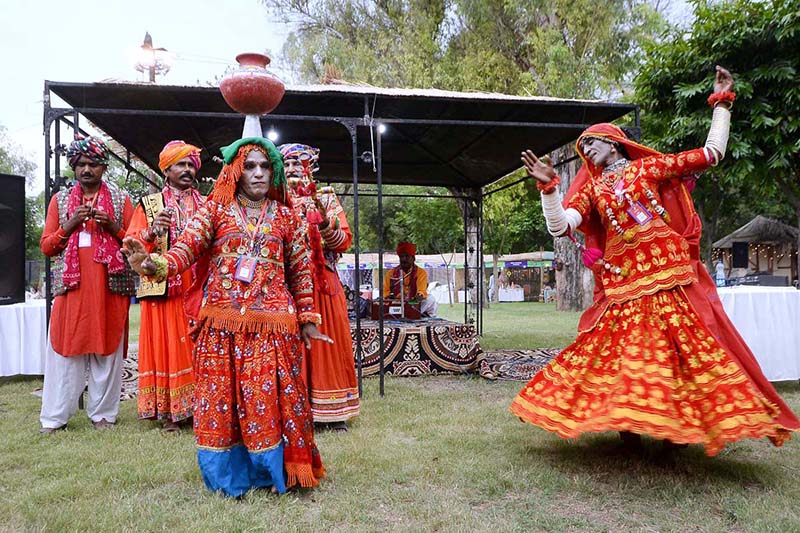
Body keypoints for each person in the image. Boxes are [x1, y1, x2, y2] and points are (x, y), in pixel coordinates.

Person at [510, 66, 797, 456]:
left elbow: (710, 155)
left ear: (615, 144)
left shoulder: (648, 168)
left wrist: (722, 105)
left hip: (666, 275)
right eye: (583, 147)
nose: (587, 151)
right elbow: (562, 227)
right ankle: (628, 428)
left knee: (679, 352)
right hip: (625, 284)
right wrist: (549, 189)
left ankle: (672, 432)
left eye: (592, 143)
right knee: (622, 356)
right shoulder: (592, 190)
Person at [123, 137, 329, 497]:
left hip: (273, 327)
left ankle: (272, 472)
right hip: (220, 325)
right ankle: (227, 477)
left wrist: (308, 318)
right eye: (250, 166)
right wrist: (152, 264)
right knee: (221, 403)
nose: (259, 173)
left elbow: (300, 271)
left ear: (275, 172)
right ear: (235, 170)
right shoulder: (215, 210)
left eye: (265, 166)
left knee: (265, 403)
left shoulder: (286, 216)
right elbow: (183, 252)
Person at [39, 136, 135, 433]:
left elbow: (136, 243)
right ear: (73, 168)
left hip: (110, 290)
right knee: (65, 353)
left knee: (107, 351)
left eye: (93, 163)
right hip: (72, 291)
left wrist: (112, 226)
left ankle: (103, 414)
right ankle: (55, 418)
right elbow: (46, 246)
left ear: (104, 166)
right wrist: (69, 225)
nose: (87, 169)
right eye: (81, 164)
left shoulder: (121, 199)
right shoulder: (61, 200)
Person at [280, 142, 360, 431]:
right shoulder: (276, 199)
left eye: (298, 164)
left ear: (310, 167)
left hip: (323, 281)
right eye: (287, 164)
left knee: (328, 343)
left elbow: (344, 242)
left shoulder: (326, 198)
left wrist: (324, 221)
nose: (292, 170)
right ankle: (295, 411)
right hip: (288, 284)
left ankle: (334, 411)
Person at [125, 140, 204, 432]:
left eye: (190, 164)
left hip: (197, 286)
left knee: (197, 346)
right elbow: (130, 245)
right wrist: (151, 230)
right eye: (179, 164)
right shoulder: (149, 204)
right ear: (167, 168)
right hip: (162, 287)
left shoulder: (206, 204)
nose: (186, 169)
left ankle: (200, 407)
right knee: (167, 346)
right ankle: (170, 411)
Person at [383, 241, 438, 317]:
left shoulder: (420, 272)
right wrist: (389, 297)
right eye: (401, 257)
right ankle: (410, 314)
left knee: (430, 299)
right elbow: (385, 292)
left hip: (413, 302)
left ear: (413, 258)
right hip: (396, 302)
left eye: (407, 256)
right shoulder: (391, 273)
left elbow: (421, 291)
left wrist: (418, 297)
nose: (404, 259)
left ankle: (416, 314)